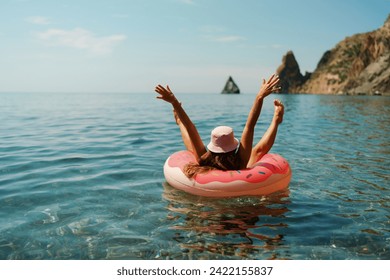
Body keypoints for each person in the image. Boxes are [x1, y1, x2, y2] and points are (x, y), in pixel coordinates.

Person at [154, 74, 284, 178]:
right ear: (234, 145)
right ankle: (276, 121)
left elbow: (190, 128)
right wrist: (259, 96)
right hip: (241, 199)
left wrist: (174, 103)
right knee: (257, 151)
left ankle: (179, 123)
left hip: (209, 203)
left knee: (192, 148)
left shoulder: (203, 159)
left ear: (213, 146)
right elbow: (250, 125)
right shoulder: (241, 160)